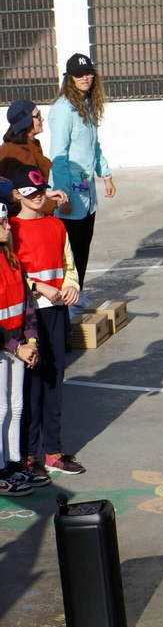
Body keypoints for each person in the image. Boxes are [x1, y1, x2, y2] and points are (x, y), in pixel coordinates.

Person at [12, 168, 81, 476]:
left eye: (41, 191)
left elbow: (69, 265)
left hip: (55, 313)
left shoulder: (56, 225)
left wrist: (71, 286)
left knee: (53, 382)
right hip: (26, 317)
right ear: (17, 196)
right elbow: (10, 274)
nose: (38, 197)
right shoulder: (9, 228)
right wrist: (38, 287)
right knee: (31, 387)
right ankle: (27, 455)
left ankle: (53, 452)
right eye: (30, 193)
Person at [46, 53, 114, 275]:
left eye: (88, 73)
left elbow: (93, 144)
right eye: (78, 75)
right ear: (70, 78)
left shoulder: (87, 104)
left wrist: (105, 174)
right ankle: (70, 299)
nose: (85, 78)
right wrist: (62, 194)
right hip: (70, 192)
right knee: (71, 250)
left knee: (83, 247)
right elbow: (58, 155)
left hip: (87, 193)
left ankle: (78, 294)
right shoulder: (63, 109)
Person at [0, 202, 38, 495]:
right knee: (0, 409)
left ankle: (13, 462)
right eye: (2, 223)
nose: (8, 226)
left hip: (17, 345)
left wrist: (32, 339)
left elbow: (27, 304)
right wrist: (16, 347)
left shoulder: (11, 258)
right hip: (5, 346)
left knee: (16, 405)